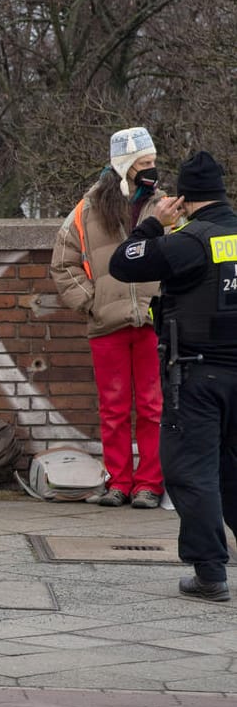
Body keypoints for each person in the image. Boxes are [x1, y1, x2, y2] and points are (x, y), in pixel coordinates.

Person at [109, 152, 237, 602]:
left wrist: (153, 224)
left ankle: (209, 572)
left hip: (198, 377)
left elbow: (124, 263)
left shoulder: (189, 241)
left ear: (183, 198)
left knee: (189, 472)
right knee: (231, 471)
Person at [49, 127, 165, 508]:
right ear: (125, 166)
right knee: (113, 407)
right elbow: (63, 263)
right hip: (107, 324)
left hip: (152, 322)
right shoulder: (87, 210)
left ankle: (149, 483)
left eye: (152, 162)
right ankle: (119, 481)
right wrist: (93, 302)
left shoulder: (164, 207)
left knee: (153, 406)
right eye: (144, 163)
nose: (152, 169)